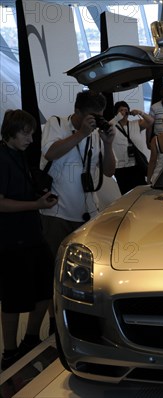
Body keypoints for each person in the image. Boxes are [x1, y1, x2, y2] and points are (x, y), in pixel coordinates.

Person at [39, 90, 116, 333]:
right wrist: (81, 133)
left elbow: (109, 171)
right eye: (91, 116)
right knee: (54, 273)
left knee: (84, 275)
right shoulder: (57, 123)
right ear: (78, 112)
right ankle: (55, 322)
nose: (95, 121)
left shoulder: (95, 135)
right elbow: (50, 153)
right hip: (57, 213)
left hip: (87, 214)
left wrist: (108, 143)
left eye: (99, 116)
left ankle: (79, 320)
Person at [0, 109, 58, 370]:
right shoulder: (2, 158)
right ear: (11, 131)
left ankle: (30, 339)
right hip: (12, 239)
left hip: (31, 234)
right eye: (26, 133)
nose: (31, 139)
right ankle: (10, 352)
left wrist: (38, 200)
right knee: (12, 298)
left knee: (45, 286)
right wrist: (35, 204)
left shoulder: (18, 155)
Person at [110, 101, 153, 194]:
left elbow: (150, 121)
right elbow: (105, 128)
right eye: (121, 110)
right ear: (116, 112)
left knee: (139, 193)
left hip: (137, 165)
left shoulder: (136, 123)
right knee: (125, 194)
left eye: (126, 110)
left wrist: (140, 113)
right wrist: (117, 118)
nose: (124, 112)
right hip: (121, 167)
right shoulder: (113, 126)